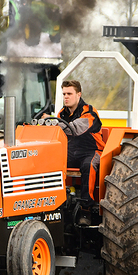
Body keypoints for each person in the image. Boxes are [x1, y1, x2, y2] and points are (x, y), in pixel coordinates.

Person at [46, 80, 105, 226]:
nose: (66, 97)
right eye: (64, 94)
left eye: (69, 94)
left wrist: (51, 122)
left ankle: (86, 209)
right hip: (71, 151)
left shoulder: (89, 112)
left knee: (88, 165)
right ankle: (53, 204)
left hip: (92, 151)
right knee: (48, 163)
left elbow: (75, 129)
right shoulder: (61, 113)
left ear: (78, 94)